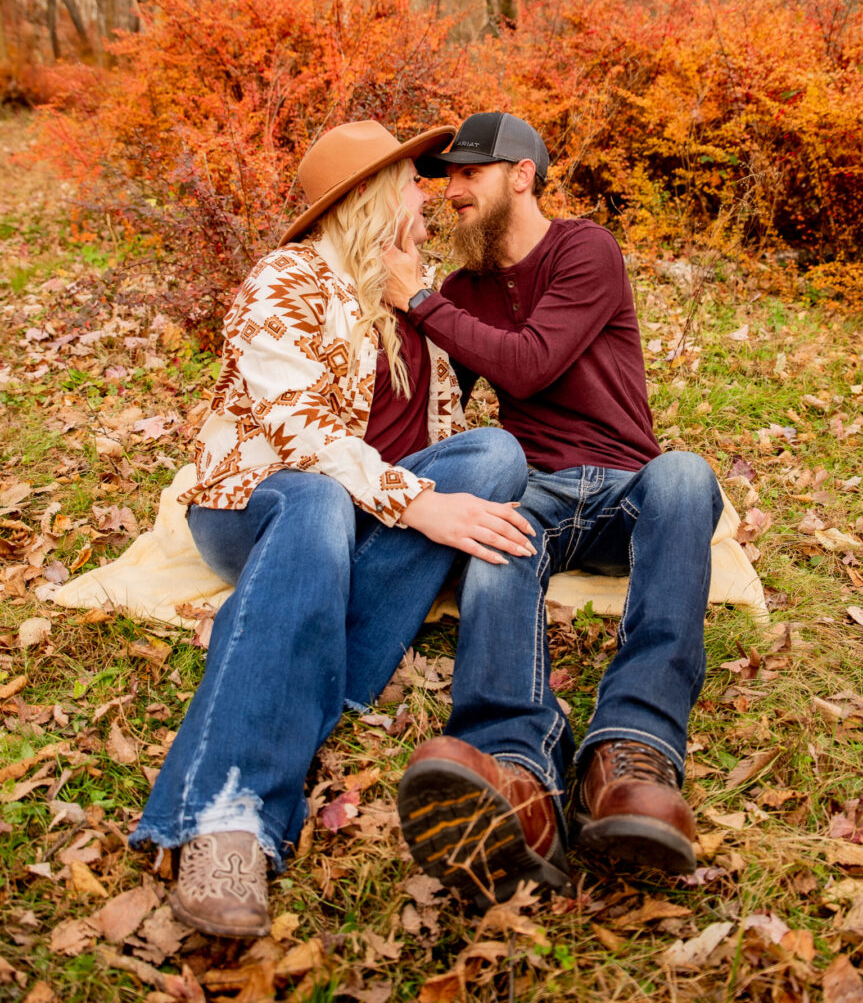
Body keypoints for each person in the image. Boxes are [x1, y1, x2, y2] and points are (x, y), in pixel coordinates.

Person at [129, 120, 539, 937]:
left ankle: (306, 662)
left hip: (364, 512)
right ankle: (227, 813)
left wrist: (434, 493)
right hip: (257, 501)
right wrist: (421, 507)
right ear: (370, 198)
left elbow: (441, 436)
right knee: (316, 498)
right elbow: (300, 435)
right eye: (411, 183)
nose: (428, 196)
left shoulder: (411, 289)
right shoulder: (288, 278)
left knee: (494, 453)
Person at [382, 113, 725, 908]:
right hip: (535, 489)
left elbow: (530, 365)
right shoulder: (463, 291)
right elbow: (427, 415)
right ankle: (518, 775)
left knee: (685, 475)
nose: (454, 189)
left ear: (523, 175)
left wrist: (422, 300)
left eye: (471, 172)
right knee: (496, 528)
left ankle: (633, 749)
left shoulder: (584, 250)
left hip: (624, 488)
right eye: (445, 179)